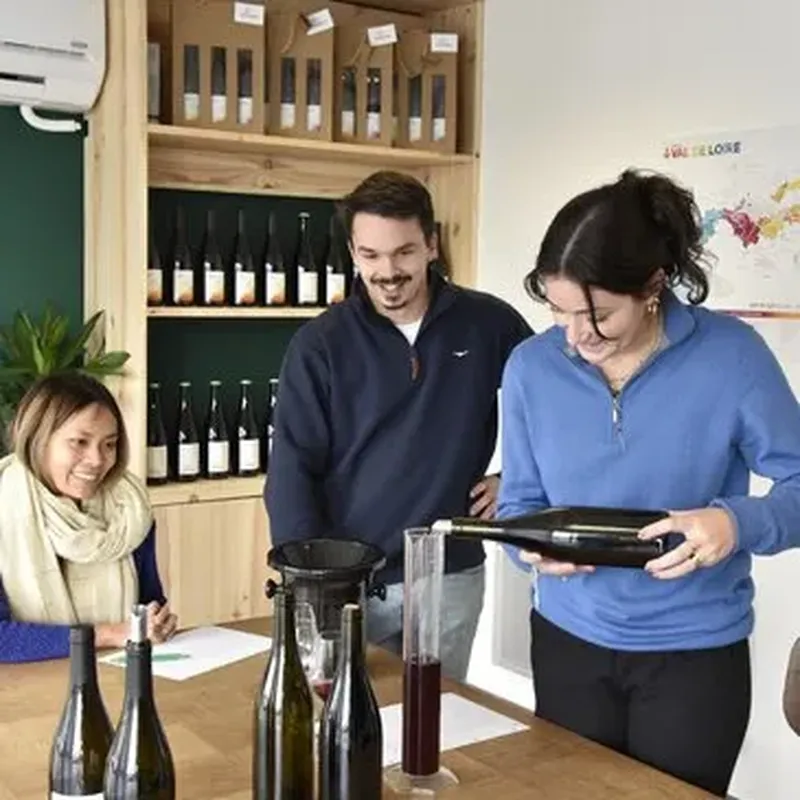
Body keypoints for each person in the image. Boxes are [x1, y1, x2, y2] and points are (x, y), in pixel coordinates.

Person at [497, 168, 800, 796]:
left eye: (599, 315)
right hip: (565, 643)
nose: (577, 338)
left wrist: (736, 522)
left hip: (693, 658)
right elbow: (521, 502)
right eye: (558, 312)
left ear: (654, 286)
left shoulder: (733, 356)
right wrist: (528, 549)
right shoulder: (531, 367)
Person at [266, 170, 532, 681]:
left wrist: (516, 480)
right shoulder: (319, 345)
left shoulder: (489, 324)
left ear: (432, 244)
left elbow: (557, 403)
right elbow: (291, 471)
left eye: (404, 252)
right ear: (353, 251)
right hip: (344, 587)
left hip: (448, 579)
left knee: (431, 728)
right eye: (370, 255)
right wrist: (312, 587)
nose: (387, 271)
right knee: (339, 732)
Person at [0, 373, 177, 663]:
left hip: (119, 677)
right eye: (79, 442)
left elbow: (148, 601)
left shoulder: (130, 509)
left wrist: (157, 621)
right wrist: (108, 634)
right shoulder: (5, 505)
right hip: (24, 689)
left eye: (109, 444)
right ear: (37, 440)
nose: (97, 460)